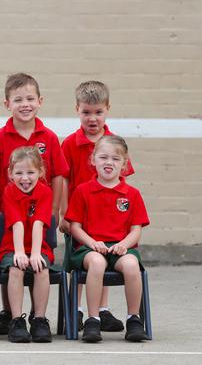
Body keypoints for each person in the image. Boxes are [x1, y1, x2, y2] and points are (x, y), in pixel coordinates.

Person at [0, 73, 69, 333]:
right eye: (18, 99)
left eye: (30, 98)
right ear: (7, 104)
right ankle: (11, 314)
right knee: (14, 264)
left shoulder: (49, 137)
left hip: (40, 215)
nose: (25, 104)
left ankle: (38, 318)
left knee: (38, 264)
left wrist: (53, 213)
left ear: (40, 101)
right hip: (10, 217)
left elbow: (59, 175)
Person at [59, 80, 133, 332]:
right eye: (86, 112)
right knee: (84, 262)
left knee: (105, 257)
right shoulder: (69, 143)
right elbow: (64, 179)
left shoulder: (115, 143)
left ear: (107, 109)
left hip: (107, 218)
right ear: (77, 109)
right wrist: (63, 214)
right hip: (78, 217)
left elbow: (123, 182)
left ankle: (101, 310)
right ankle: (78, 310)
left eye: (98, 112)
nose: (92, 118)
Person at [65, 135, 149, 343]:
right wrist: (91, 243)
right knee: (96, 262)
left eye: (115, 159)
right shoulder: (82, 191)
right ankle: (93, 319)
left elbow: (136, 230)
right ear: (93, 160)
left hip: (120, 247)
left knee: (131, 265)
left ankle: (133, 319)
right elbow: (74, 227)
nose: (109, 162)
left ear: (124, 165)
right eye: (103, 157)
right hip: (90, 248)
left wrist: (124, 245)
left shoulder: (132, 194)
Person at [0, 146, 53, 343]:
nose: (24, 178)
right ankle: (16, 320)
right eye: (19, 173)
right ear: (10, 174)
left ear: (40, 172)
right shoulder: (9, 192)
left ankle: (39, 319)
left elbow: (38, 224)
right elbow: (17, 223)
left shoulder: (45, 192)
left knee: (41, 269)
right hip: (11, 247)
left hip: (38, 247)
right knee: (16, 268)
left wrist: (35, 254)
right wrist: (19, 252)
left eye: (30, 172)